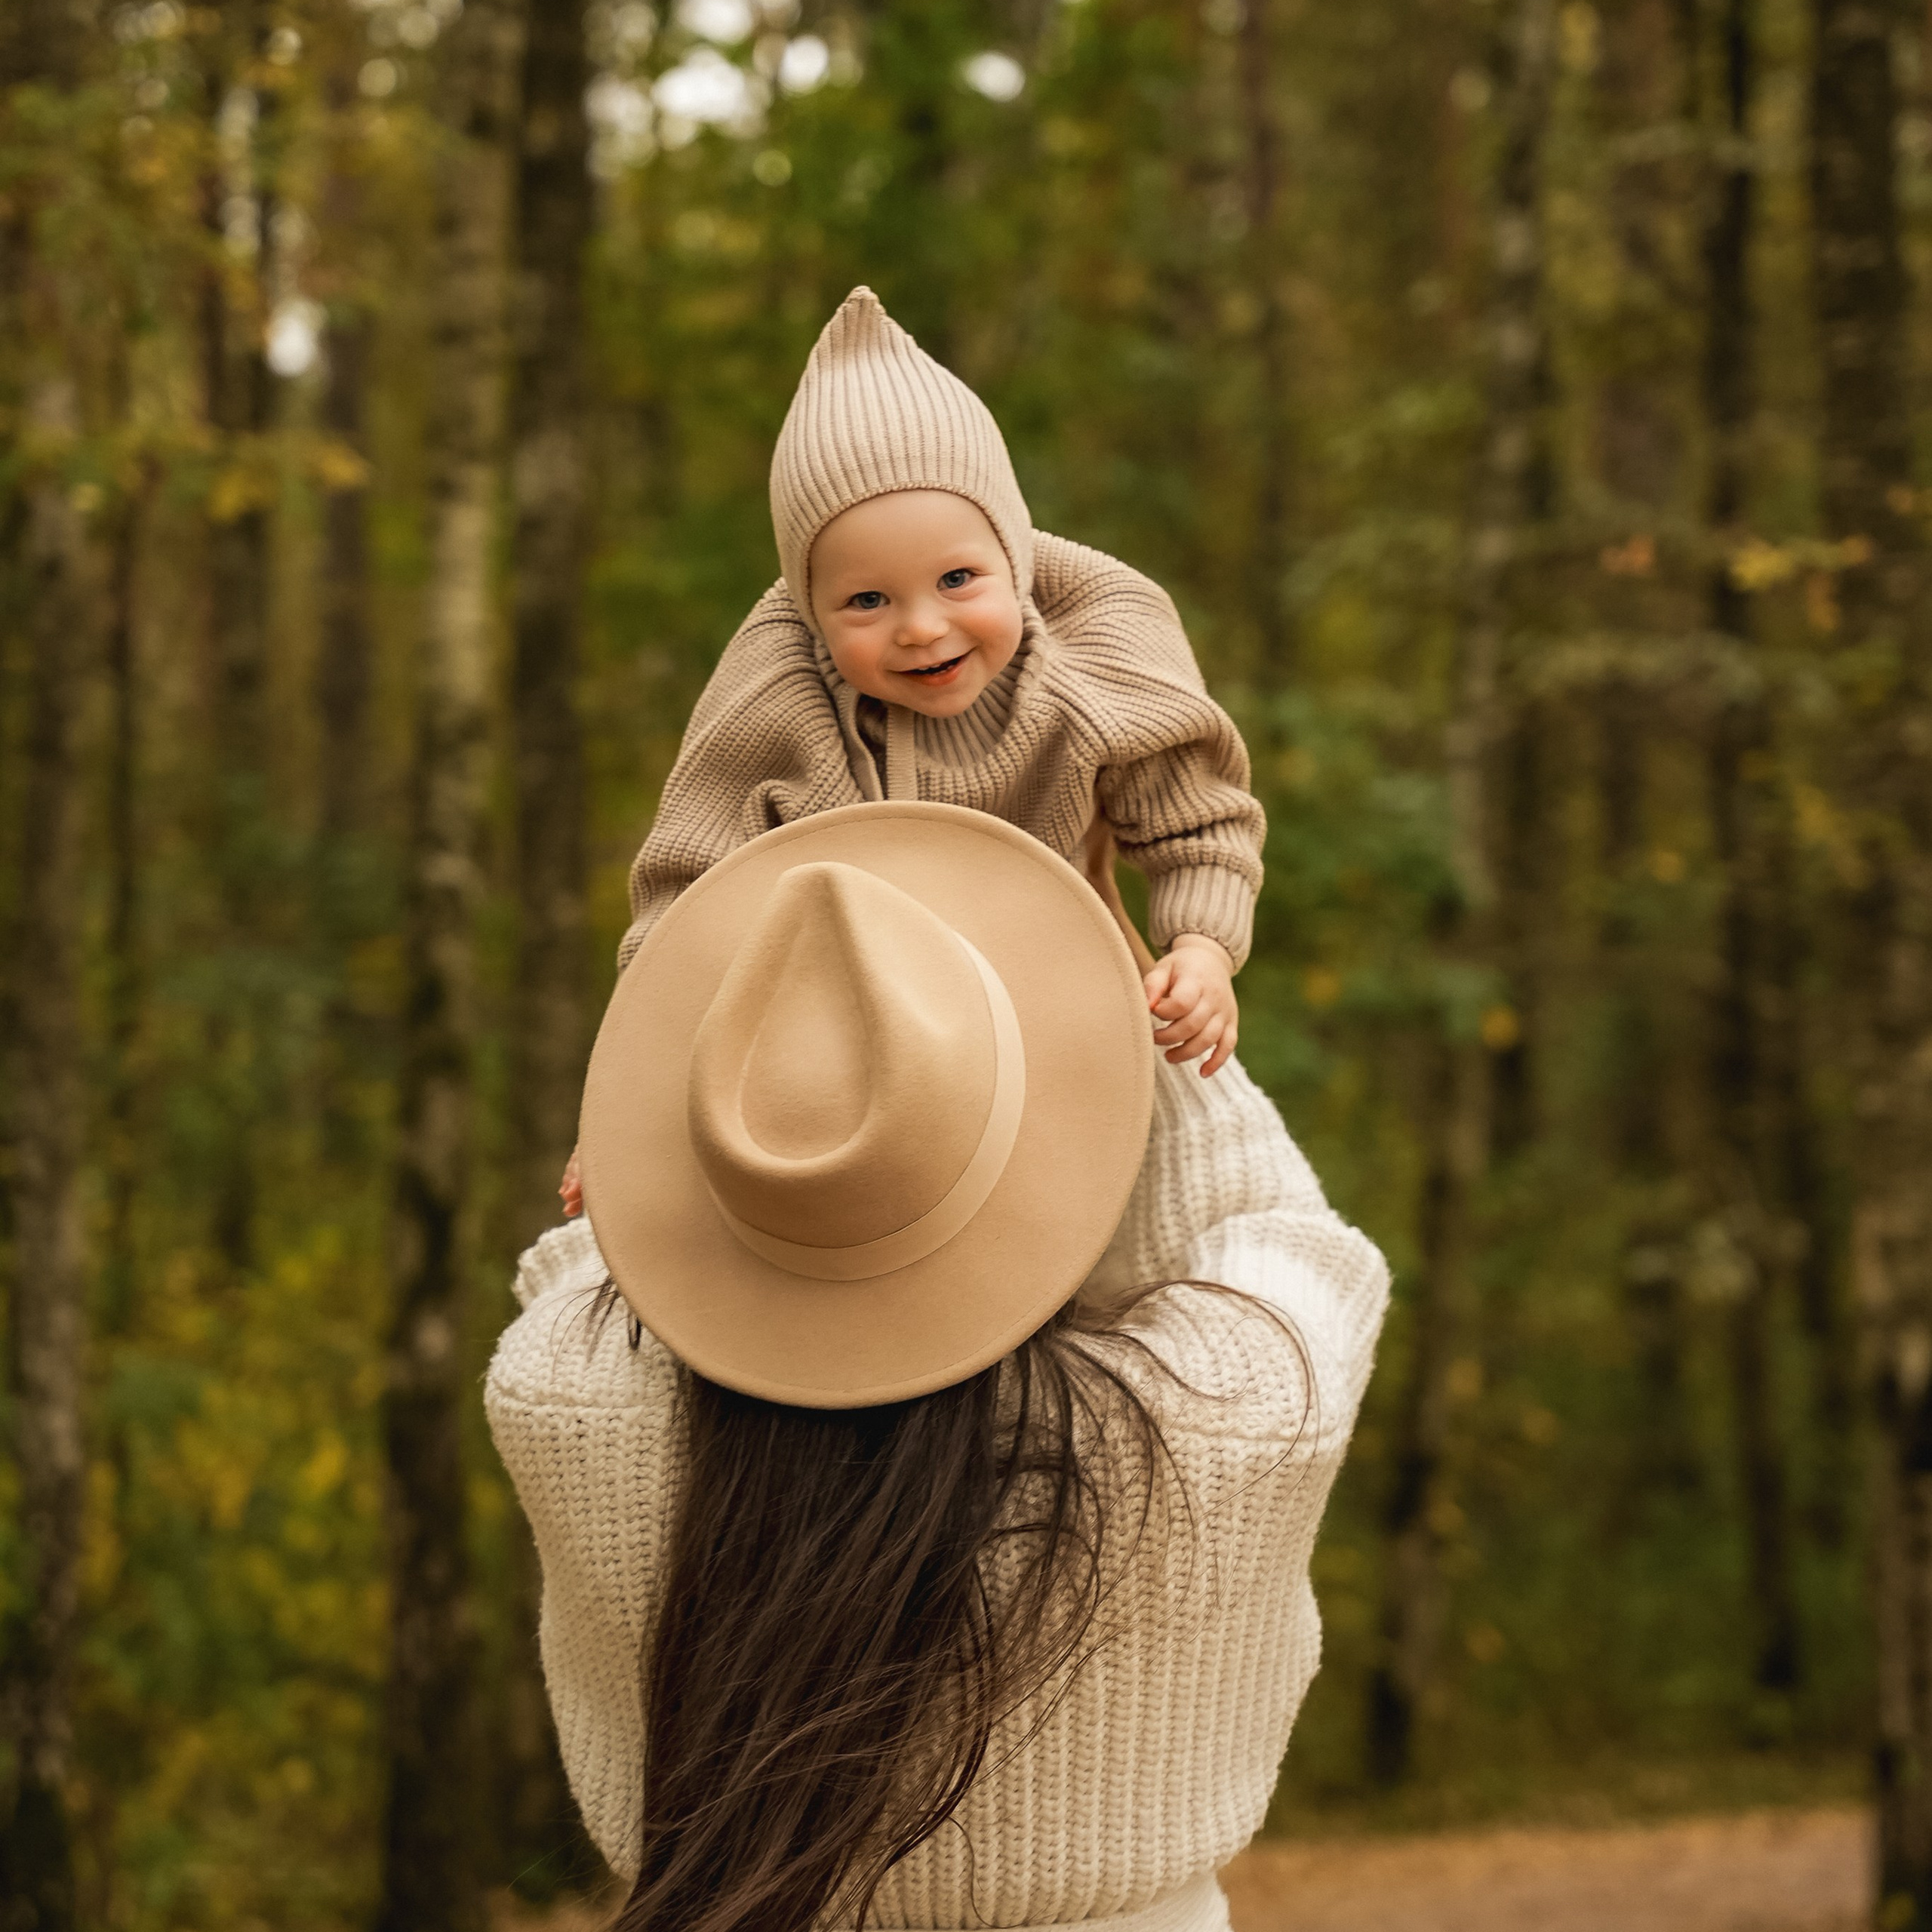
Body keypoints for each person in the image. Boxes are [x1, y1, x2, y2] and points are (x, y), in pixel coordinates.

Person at [489, 801, 1388, 1932]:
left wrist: (684, 1082)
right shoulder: (1219, 1415)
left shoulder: (565, 1403)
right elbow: (1271, 1224)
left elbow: (606, 1243)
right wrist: (1105, 952)